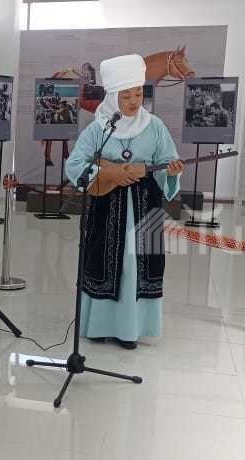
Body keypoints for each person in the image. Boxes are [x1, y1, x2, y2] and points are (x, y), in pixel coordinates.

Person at [64, 55, 184, 350]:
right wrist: (109, 173)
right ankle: (99, 326)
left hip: (145, 205)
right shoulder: (99, 128)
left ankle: (130, 330)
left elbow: (167, 160)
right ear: (113, 97)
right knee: (103, 263)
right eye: (126, 96)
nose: (133, 102)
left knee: (136, 266)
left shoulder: (155, 126)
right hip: (107, 206)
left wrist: (171, 172)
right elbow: (75, 165)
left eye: (138, 94)